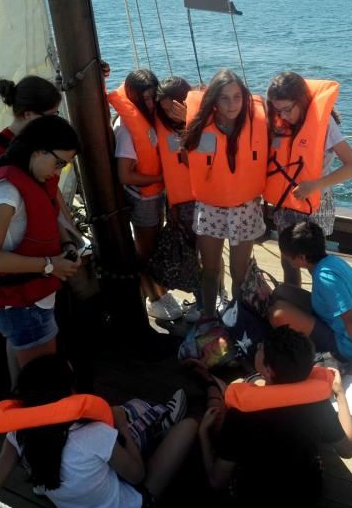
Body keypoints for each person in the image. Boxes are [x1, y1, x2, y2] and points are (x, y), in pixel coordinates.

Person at [0, 354, 197, 508]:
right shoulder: (94, 433)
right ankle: (163, 419)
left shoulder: (18, 435)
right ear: (67, 394)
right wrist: (120, 425)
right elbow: (137, 476)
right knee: (187, 426)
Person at [197, 326, 352, 508]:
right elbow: (347, 450)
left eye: (260, 349)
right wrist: (340, 394)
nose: (258, 349)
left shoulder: (240, 414)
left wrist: (203, 435)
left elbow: (216, 482)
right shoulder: (318, 405)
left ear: (269, 371)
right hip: (305, 500)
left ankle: (209, 385)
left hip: (252, 505)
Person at [0, 116, 83, 385]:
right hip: (22, 306)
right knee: (44, 384)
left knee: (25, 376)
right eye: (58, 163)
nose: (58, 172)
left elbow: (46, 219)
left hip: (29, 301)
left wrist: (67, 245)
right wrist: (49, 265)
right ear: (38, 150)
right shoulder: (7, 193)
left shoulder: (30, 175)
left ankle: (17, 416)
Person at [183, 69, 268, 317]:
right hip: (211, 208)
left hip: (245, 208)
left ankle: (237, 318)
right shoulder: (201, 126)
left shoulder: (258, 124)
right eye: (224, 98)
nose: (232, 104)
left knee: (240, 273)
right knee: (209, 270)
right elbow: (187, 159)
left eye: (237, 97)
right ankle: (209, 316)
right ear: (214, 101)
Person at [265, 71, 352, 285]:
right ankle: (294, 302)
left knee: (314, 264)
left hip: (315, 204)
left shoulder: (325, 124)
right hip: (286, 205)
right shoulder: (280, 122)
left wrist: (315, 185)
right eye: (277, 110)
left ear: (302, 101)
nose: (283, 116)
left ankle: (322, 305)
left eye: (287, 109)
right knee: (288, 261)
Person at [107, 70, 179, 321]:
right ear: (133, 97)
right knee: (146, 250)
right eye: (144, 98)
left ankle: (161, 291)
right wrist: (161, 178)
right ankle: (154, 298)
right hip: (143, 199)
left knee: (156, 245)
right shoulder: (127, 129)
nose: (149, 104)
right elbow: (126, 175)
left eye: (152, 97)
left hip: (155, 196)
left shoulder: (148, 120)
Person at [272, 221, 352, 375]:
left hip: (345, 347)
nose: (287, 260)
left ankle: (292, 350)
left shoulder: (324, 278)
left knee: (278, 313)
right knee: (281, 291)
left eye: (288, 257)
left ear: (301, 258)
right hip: (339, 325)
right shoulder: (332, 261)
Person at [0, 76, 62, 210]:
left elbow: (52, 195)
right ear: (28, 114)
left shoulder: (38, 144)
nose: (54, 122)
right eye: (51, 116)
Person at [153, 76, 201, 321]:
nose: (169, 114)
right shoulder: (161, 126)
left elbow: (212, 159)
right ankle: (200, 298)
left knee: (205, 255)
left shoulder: (204, 124)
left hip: (202, 201)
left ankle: (209, 300)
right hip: (177, 203)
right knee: (186, 254)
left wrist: (188, 121)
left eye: (173, 107)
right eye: (164, 109)